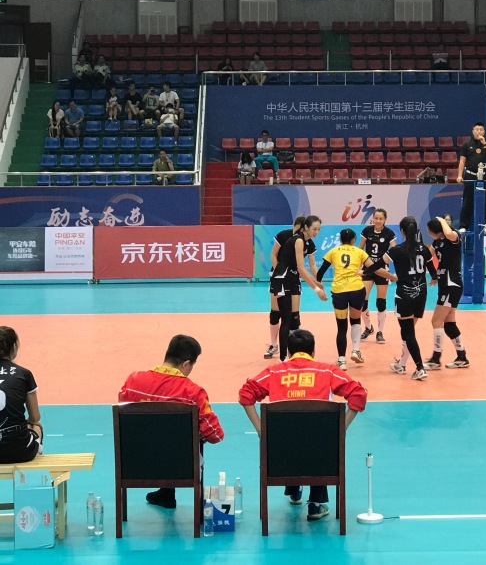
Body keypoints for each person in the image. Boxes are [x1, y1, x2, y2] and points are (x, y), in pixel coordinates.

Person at [239, 328, 367, 521]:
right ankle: (315, 504)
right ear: (313, 351)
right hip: (320, 454)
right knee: (319, 438)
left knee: (291, 436)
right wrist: (340, 429)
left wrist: (261, 430)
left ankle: (294, 488)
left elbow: (246, 394)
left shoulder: (273, 372)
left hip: (282, 454)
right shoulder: (328, 371)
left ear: (288, 352)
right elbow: (358, 394)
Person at [119, 334, 224, 508]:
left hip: (135, 462)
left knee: (156, 434)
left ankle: (166, 493)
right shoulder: (193, 393)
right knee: (172, 439)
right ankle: (167, 491)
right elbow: (215, 435)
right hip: (180, 465)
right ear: (186, 364)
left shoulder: (132, 382)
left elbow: (124, 415)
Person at [364, 216, 437, 380]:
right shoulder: (424, 249)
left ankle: (419, 368)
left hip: (405, 295)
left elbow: (377, 265)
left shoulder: (397, 250)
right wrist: (433, 278)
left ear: (402, 231)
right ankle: (401, 364)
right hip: (421, 294)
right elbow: (433, 271)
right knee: (409, 331)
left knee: (408, 333)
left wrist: (364, 272)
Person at [316, 228, 396, 369]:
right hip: (356, 290)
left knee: (341, 327)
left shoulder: (333, 252)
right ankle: (356, 350)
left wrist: (319, 289)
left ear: (340, 240)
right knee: (355, 320)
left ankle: (342, 360)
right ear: (353, 240)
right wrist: (393, 277)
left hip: (339, 291)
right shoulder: (360, 252)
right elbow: (375, 269)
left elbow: (321, 272)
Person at [270, 215, 327, 363]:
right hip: (282, 278)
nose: (316, 232)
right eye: (314, 229)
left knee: (294, 318)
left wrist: (315, 281)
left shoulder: (307, 242)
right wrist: (316, 289)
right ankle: (282, 358)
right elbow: (301, 268)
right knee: (285, 319)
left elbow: (303, 268)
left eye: (318, 229)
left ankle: (296, 353)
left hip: (293, 278)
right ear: (306, 227)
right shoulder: (299, 240)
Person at [424, 216, 468, 369]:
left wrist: (442, 220)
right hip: (445, 285)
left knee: (436, 321)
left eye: (430, 231)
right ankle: (462, 357)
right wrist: (434, 275)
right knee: (449, 324)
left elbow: (449, 234)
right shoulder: (437, 242)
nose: (429, 233)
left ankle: (436, 359)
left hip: (451, 284)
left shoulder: (454, 237)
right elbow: (427, 256)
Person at [0, 327, 43, 464]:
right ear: (14, 347)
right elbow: (35, 417)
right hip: (19, 451)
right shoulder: (24, 374)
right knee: (37, 426)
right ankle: (37, 451)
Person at [358, 208, 397, 344]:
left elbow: (394, 250)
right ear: (372, 219)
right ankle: (368, 328)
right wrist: (358, 265)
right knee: (362, 300)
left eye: (381, 219)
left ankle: (380, 332)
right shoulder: (367, 231)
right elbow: (360, 249)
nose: (378, 221)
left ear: (385, 220)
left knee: (381, 301)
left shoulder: (389, 233)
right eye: (376, 218)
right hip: (368, 268)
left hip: (381, 269)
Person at [456, 122, 486, 231]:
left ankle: (485, 224)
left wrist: (485, 144)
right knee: (467, 201)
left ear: (484, 132)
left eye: (481, 130)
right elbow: (462, 161)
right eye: (477, 130)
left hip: (485, 176)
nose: (479, 132)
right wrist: (459, 175)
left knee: (485, 201)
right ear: (473, 131)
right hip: (471, 175)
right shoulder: (466, 144)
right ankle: (463, 226)